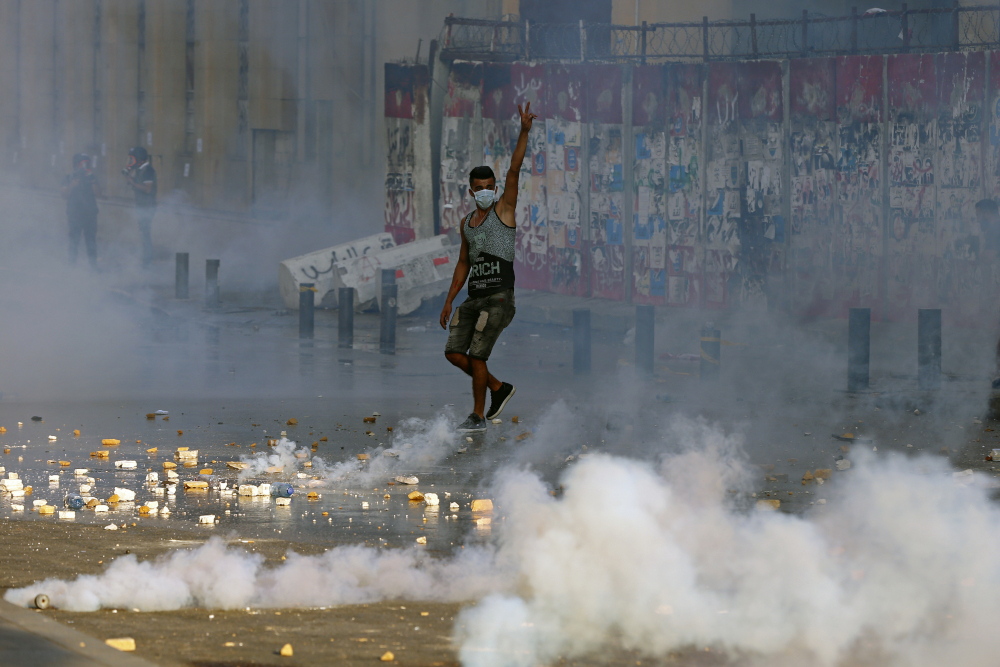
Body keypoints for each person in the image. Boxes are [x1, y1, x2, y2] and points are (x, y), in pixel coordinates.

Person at [440, 101, 537, 433]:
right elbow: (463, 263)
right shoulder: (467, 223)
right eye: (478, 189)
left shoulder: (504, 210)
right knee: (454, 352)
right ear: (471, 191)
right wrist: (449, 299)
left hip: (498, 297)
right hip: (473, 298)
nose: (485, 192)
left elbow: (515, 168)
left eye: (489, 188)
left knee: (477, 355)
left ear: (495, 189)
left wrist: (524, 131)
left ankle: (478, 415)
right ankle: (498, 388)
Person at [60, 153, 99, 269]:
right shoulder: (68, 177)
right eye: (83, 164)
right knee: (74, 242)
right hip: (74, 215)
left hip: (90, 214)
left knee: (91, 242)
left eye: (87, 164)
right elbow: (64, 195)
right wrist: (72, 185)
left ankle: (93, 266)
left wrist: (92, 181)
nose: (85, 167)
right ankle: (71, 266)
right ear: (76, 165)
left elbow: (99, 194)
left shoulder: (91, 177)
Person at [123, 146, 157, 267]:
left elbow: (148, 189)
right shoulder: (139, 170)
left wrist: (133, 182)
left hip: (147, 207)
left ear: (139, 159)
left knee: (145, 234)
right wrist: (129, 176)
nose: (131, 162)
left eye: (132, 159)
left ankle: (147, 261)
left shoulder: (148, 170)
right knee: (143, 233)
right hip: (142, 206)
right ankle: (145, 259)